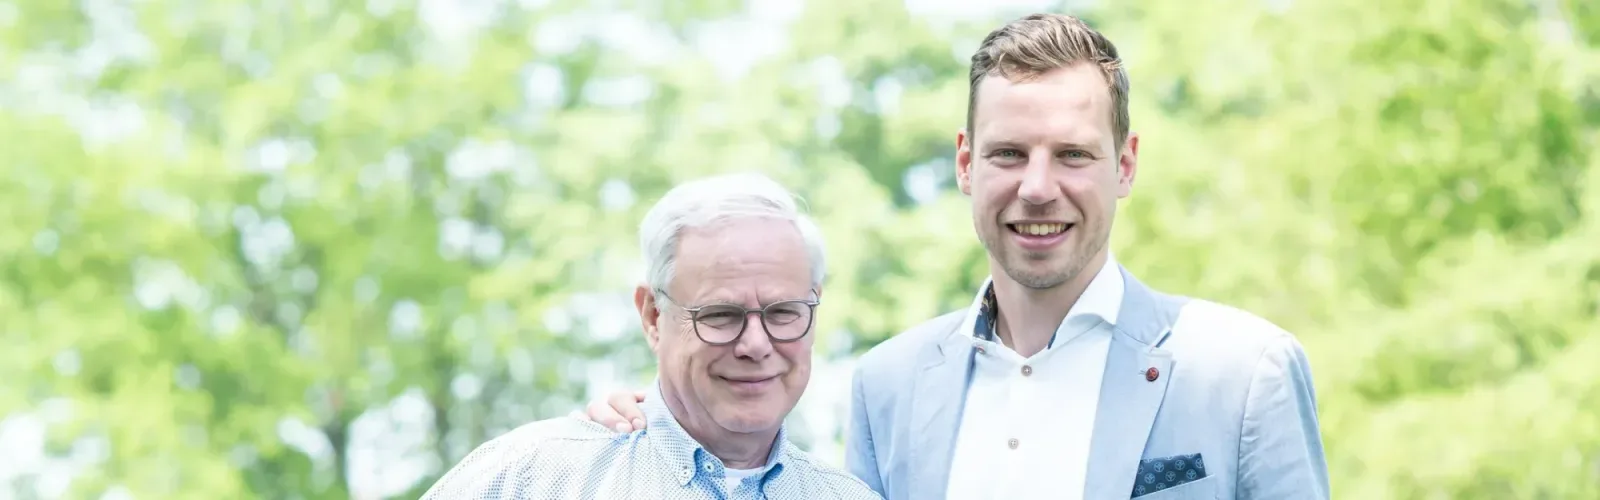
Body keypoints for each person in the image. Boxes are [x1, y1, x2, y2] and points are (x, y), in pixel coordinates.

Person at [578, 13, 1330, 500]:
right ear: (967, 164)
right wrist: (662, 422)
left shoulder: (1243, 372)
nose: (1038, 189)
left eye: (1072, 154)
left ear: (1125, 165)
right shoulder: (888, 386)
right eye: (1009, 153)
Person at [420, 172, 880, 499]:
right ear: (653, 316)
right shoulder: (530, 478)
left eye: (783, 312)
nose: (756, 345)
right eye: (720, 315)